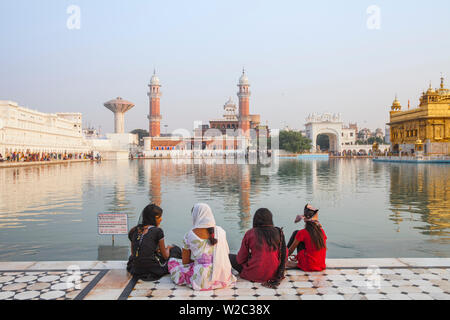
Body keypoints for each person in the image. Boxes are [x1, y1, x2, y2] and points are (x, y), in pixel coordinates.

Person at [168, 203, 236, 291]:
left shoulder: (189, 235)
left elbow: (185, 262)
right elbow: (226, 253)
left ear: (195, 216)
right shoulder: (221, 231)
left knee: (173, 263)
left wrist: (198, 262)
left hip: (201, 280)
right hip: (222, 277)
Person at [229, 208, 287, 289]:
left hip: (254, 273)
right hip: (274, 273)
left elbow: (240, 259)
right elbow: (284, 255)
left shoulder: (250, 233)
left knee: (229, 257)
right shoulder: (278, 232)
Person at [127, 203, 182, 281]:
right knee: (175, 250)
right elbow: (165, 256)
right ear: (154, 218)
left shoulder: (135, 230)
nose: (161, 219)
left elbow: (133, 254)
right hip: (153, 269)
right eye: (159, 217)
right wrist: (169, 248)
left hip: (136, 269)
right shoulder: (158, 231)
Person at [286, 204, 327, 271]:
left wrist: (282, 256)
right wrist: (297, 257)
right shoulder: (321, 231)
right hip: (321, 264)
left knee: (296, 233)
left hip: (308, 265)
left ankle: (283, 260)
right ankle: (300, 261)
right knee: (300, 235)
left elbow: (290, 250)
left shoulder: (303, 233)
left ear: (305, 219)